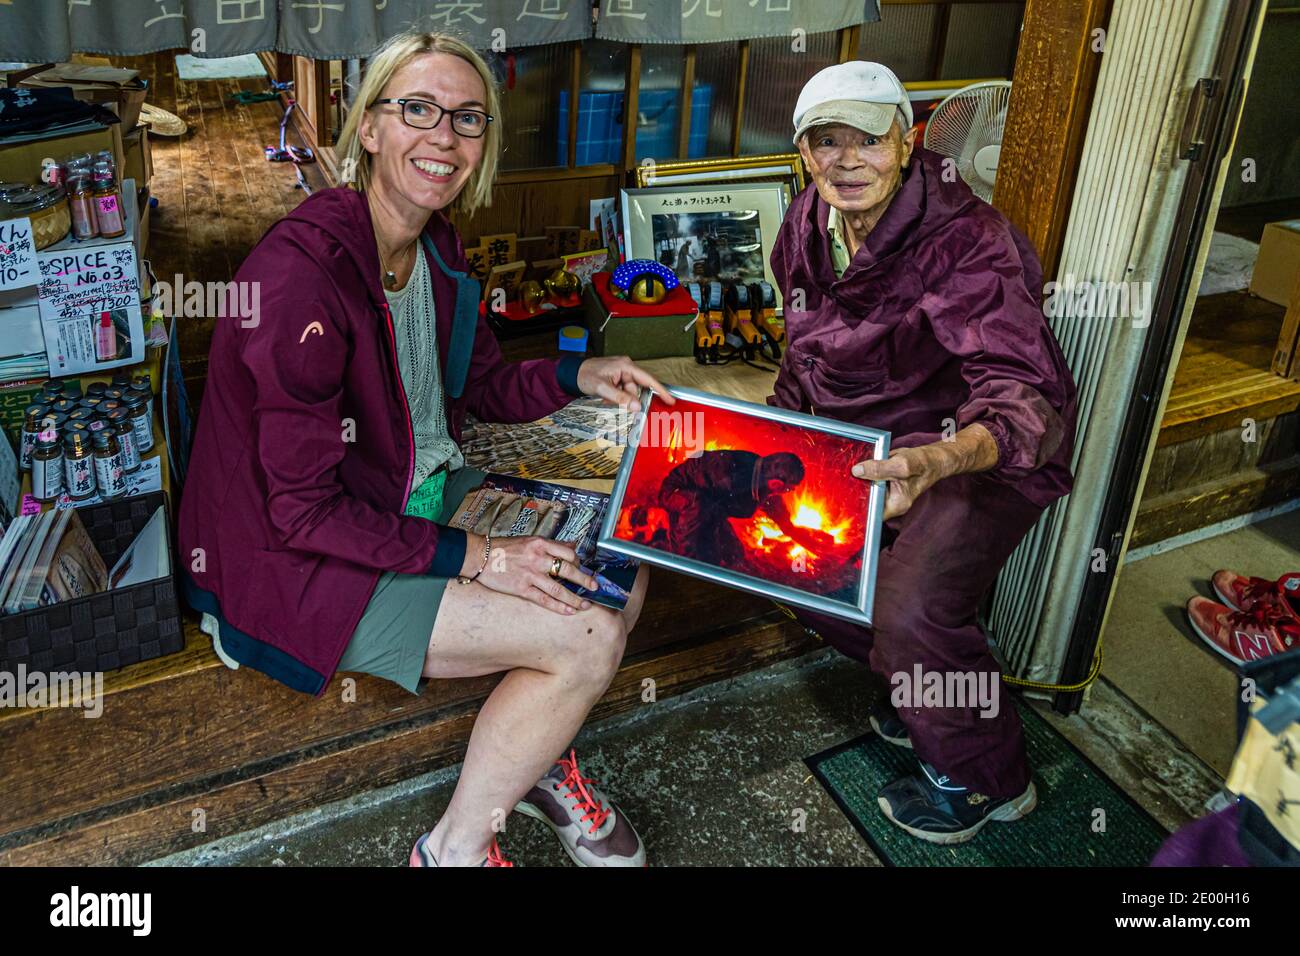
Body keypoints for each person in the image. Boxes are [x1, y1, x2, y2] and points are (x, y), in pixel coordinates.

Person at [178, 31, 673, 868]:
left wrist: (580, 371)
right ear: (368, 128)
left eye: (467, 118)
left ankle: (533, 758)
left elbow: (476, 388)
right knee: (583, 638)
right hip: (292, 559)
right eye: (418, 110)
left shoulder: (435, 244)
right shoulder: (303, 278)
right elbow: (301, 509)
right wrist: (481, 555)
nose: (443, 137)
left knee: (624, 550)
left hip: (403, 494)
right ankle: (452, 848)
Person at [770, 61, 1079, 844]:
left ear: (907, 142)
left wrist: (936, 462)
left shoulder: (967, 238)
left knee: (911, 607)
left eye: (866, 140)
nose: (846, 161)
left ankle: (985, 781)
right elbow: (802, 351)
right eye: (825, 142)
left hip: (980, 450)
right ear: (804, 153)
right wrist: (771, 439)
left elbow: (1019, 393)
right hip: (868, 444)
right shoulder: (806, 219)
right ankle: (924, 695)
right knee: (785, 558)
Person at [658, 450, 834, 568]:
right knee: (698, 517)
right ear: (776, 483)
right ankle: (683, 563)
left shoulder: (764, 486)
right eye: (788, 488)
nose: (787, 492)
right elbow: (698, 509)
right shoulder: (726, 470)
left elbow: (785, 524)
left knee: (735, 556)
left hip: (711, 510)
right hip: (677, 494)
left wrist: (816, 547)